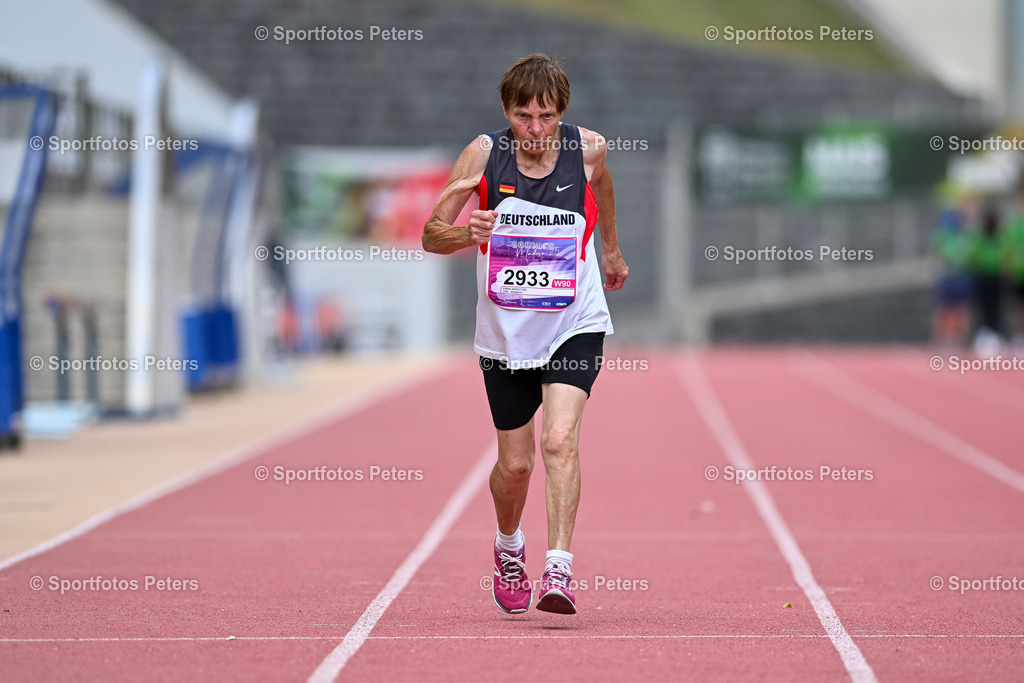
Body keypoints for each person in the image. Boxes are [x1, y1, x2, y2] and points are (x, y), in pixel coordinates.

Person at [422, 54, 628, 615]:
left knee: (559, 440)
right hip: (507, 334)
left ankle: (557, 569)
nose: (535, 130)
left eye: (546, 116)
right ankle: (508, 545)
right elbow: (430, 236)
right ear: (505, 112)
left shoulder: (588, 149)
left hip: (573, 321)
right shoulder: (484, 154)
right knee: (515, 467)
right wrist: (466, 231)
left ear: (562, 111)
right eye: (523, 116)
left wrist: (609, 246)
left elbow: (602, 185)